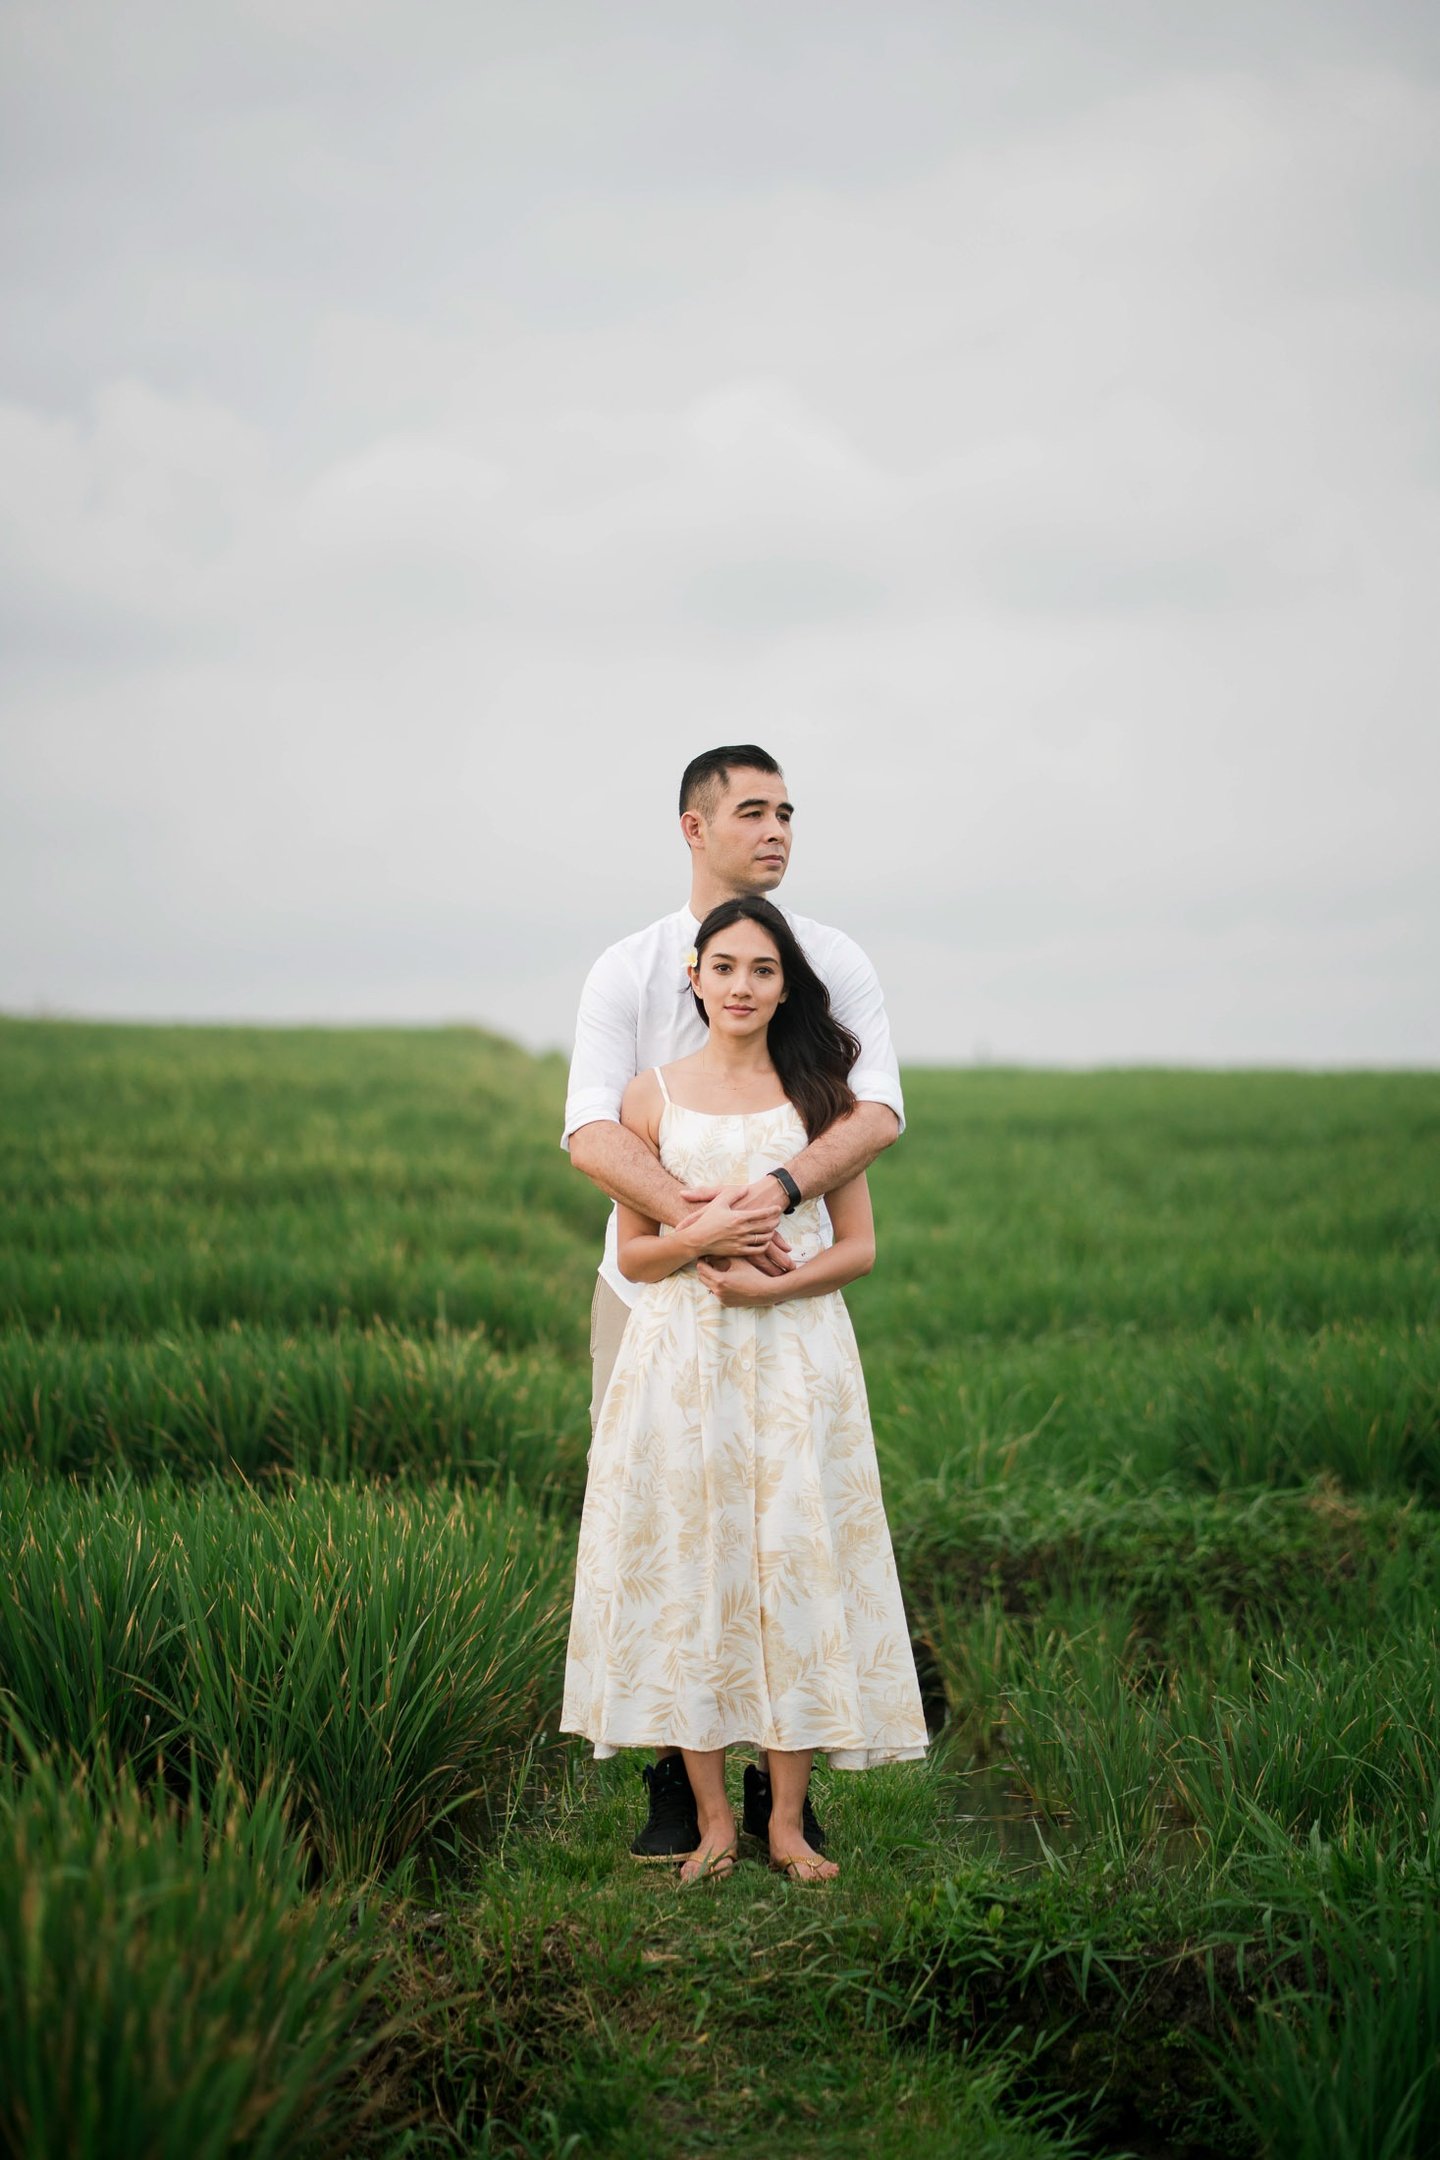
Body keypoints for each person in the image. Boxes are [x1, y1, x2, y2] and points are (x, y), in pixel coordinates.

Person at [561, 746, 913, 1867]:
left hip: (788, 1303)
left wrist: (771, 1205)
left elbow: (874, 1114)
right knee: (679, 1526)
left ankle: (787, 1801)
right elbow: (594, 1135)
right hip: (658, 1293)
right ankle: (684, 1794)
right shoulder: (631, 966)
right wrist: (701, 1229)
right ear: (693, 827)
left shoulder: (828, 958)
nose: (777, 830)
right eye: (752, 811)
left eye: (787, 813)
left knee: (788, 1526)